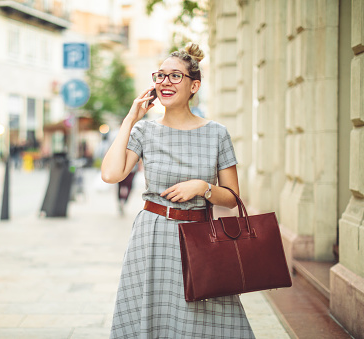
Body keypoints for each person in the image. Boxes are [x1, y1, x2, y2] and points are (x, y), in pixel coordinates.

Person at [101, 43, 255, 338]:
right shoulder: (144, 131)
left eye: (174, 76)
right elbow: (110, 174)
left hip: (200, 235)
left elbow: (233, 198)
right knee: (155, 314)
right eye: (160, 76)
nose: (164, 83)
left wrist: (203, 188)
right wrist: (129, 119)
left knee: (207, 315)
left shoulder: (217, 133)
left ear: (194, 85)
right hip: (152, 235)